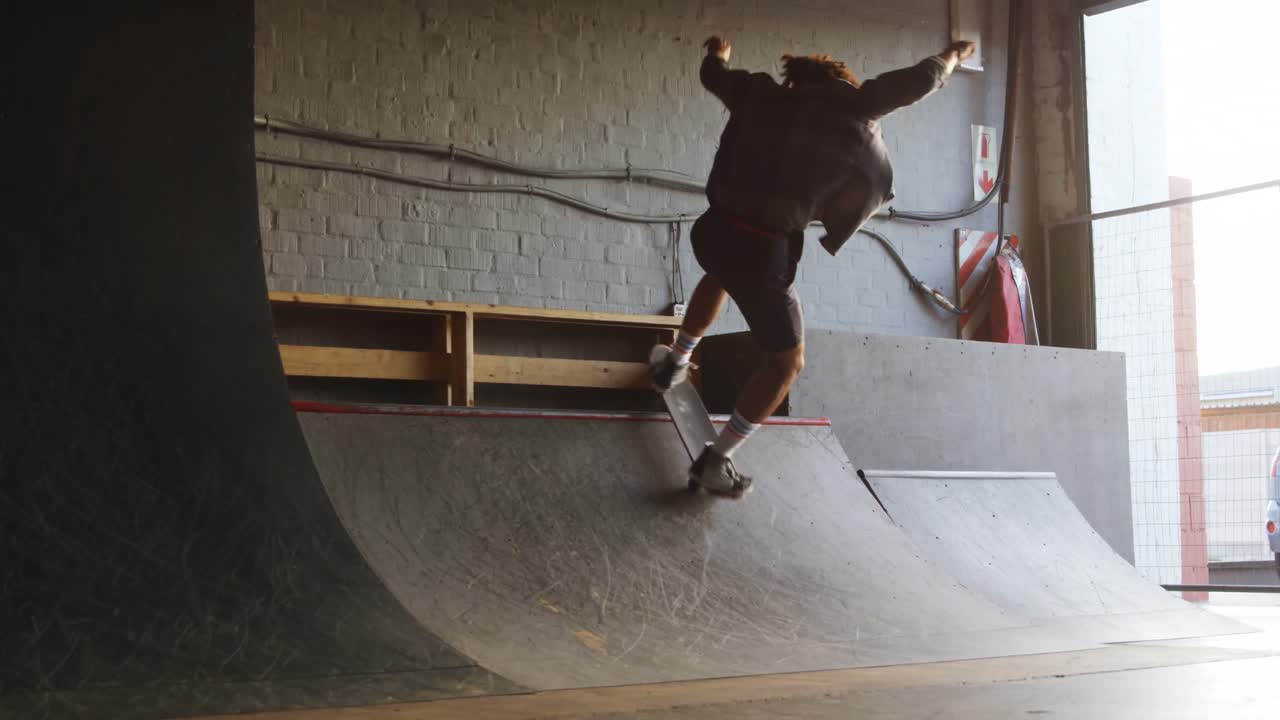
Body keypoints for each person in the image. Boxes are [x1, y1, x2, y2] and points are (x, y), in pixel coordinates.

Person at [650, 35, 977, 495]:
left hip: (712, 232)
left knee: (722, 274)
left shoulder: (759, 92)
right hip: (762, 252)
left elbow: (713, 75)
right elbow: (922, 79)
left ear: (796, 79)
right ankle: (717, 459)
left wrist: (718, 54)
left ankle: (674, 363)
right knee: (786, 364)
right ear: (841, 81)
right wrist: (955, 55)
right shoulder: (857, 105)